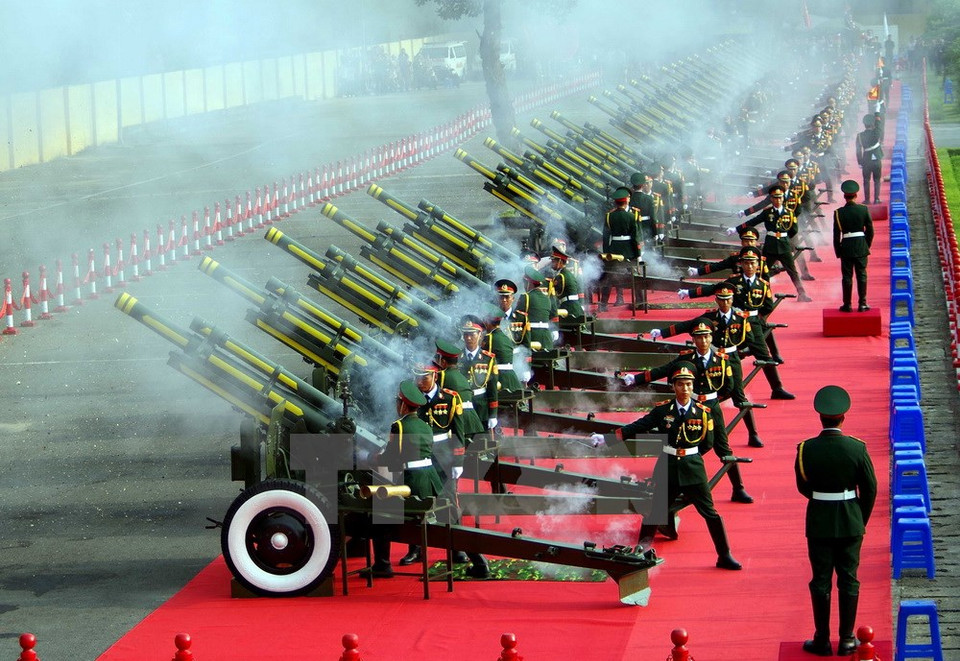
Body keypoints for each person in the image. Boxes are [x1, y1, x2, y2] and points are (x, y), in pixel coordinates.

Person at [597, 363, 742, 570]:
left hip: (693, 469)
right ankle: (641, 553)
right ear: (673, 386)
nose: (686, 389)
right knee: (654, 511)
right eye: (681, 384)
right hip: (667, 466)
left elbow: (708, 443)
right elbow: (640, 425)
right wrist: (609, 438)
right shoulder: (663, 410)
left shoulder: (703, 412)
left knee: (710, 513)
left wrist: (689, 456)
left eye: (689, 385)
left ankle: (724, 554)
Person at [620, 318, 754, 503]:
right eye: (699, 337)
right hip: (688, 408)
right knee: (681, 445)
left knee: (723, 448)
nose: (703, 341)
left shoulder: (721, 359)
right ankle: (682, 483)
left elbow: (728, 387)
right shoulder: (686, 359)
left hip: (711, 408)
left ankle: (738, 488)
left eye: (706, 336)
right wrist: (637, 379)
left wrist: (711, 400)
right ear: (694, 339)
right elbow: (665, 370)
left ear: (711, 337)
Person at [795, 385, 877, 656]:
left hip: (819, 519)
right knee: (849, 579)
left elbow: (803, 487)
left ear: (820, 417)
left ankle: (822, 639)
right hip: (850, 519)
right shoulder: (857, 448)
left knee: (820, 579)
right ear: (844, 416)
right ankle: (847, 639)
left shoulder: (806, 449)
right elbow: (870, 488)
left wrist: (821, 498)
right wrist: (858, 517)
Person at [366, 380, 444, 578]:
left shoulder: (399, 426)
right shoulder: (425, 426)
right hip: (430, 478)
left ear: (402, 404)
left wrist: (372, 458)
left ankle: (382, 565)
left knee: (380, 515)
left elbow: (391, 458)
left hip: (413, 480)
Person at [833, 180, 875, 313]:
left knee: (847, 276)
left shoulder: (839, 213)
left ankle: (847, 304)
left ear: (845, 196)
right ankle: (862, 304)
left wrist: (838, 251)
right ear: (856, 195)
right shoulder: (863, 209)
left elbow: (836, 235)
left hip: (846, 246)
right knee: (862, 275)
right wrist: (866, 245)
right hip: (861, 245)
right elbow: (870, 230)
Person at [599, 186, 642, 310]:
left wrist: (606, 253)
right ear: (626, 201)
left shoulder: (608, 216)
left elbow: (606, 237)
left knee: (609, 277)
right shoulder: (630, 216)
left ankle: (603, 304)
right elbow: (635, 238)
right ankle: (639, 301)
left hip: (614, 250)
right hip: (629, 250)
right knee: (635, 277)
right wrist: (638, 253)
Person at [855, 115, 883, 205]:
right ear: (873, 124)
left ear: (864, 124)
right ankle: (876, 199)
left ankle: (867, 199)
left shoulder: (859, 136)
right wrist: (877, 117)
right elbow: (879, 127)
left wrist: (859, 162)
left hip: (866, 159)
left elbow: (858, 150)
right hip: (877, 159)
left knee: (866, 180)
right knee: (877, 180)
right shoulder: (876, 132)